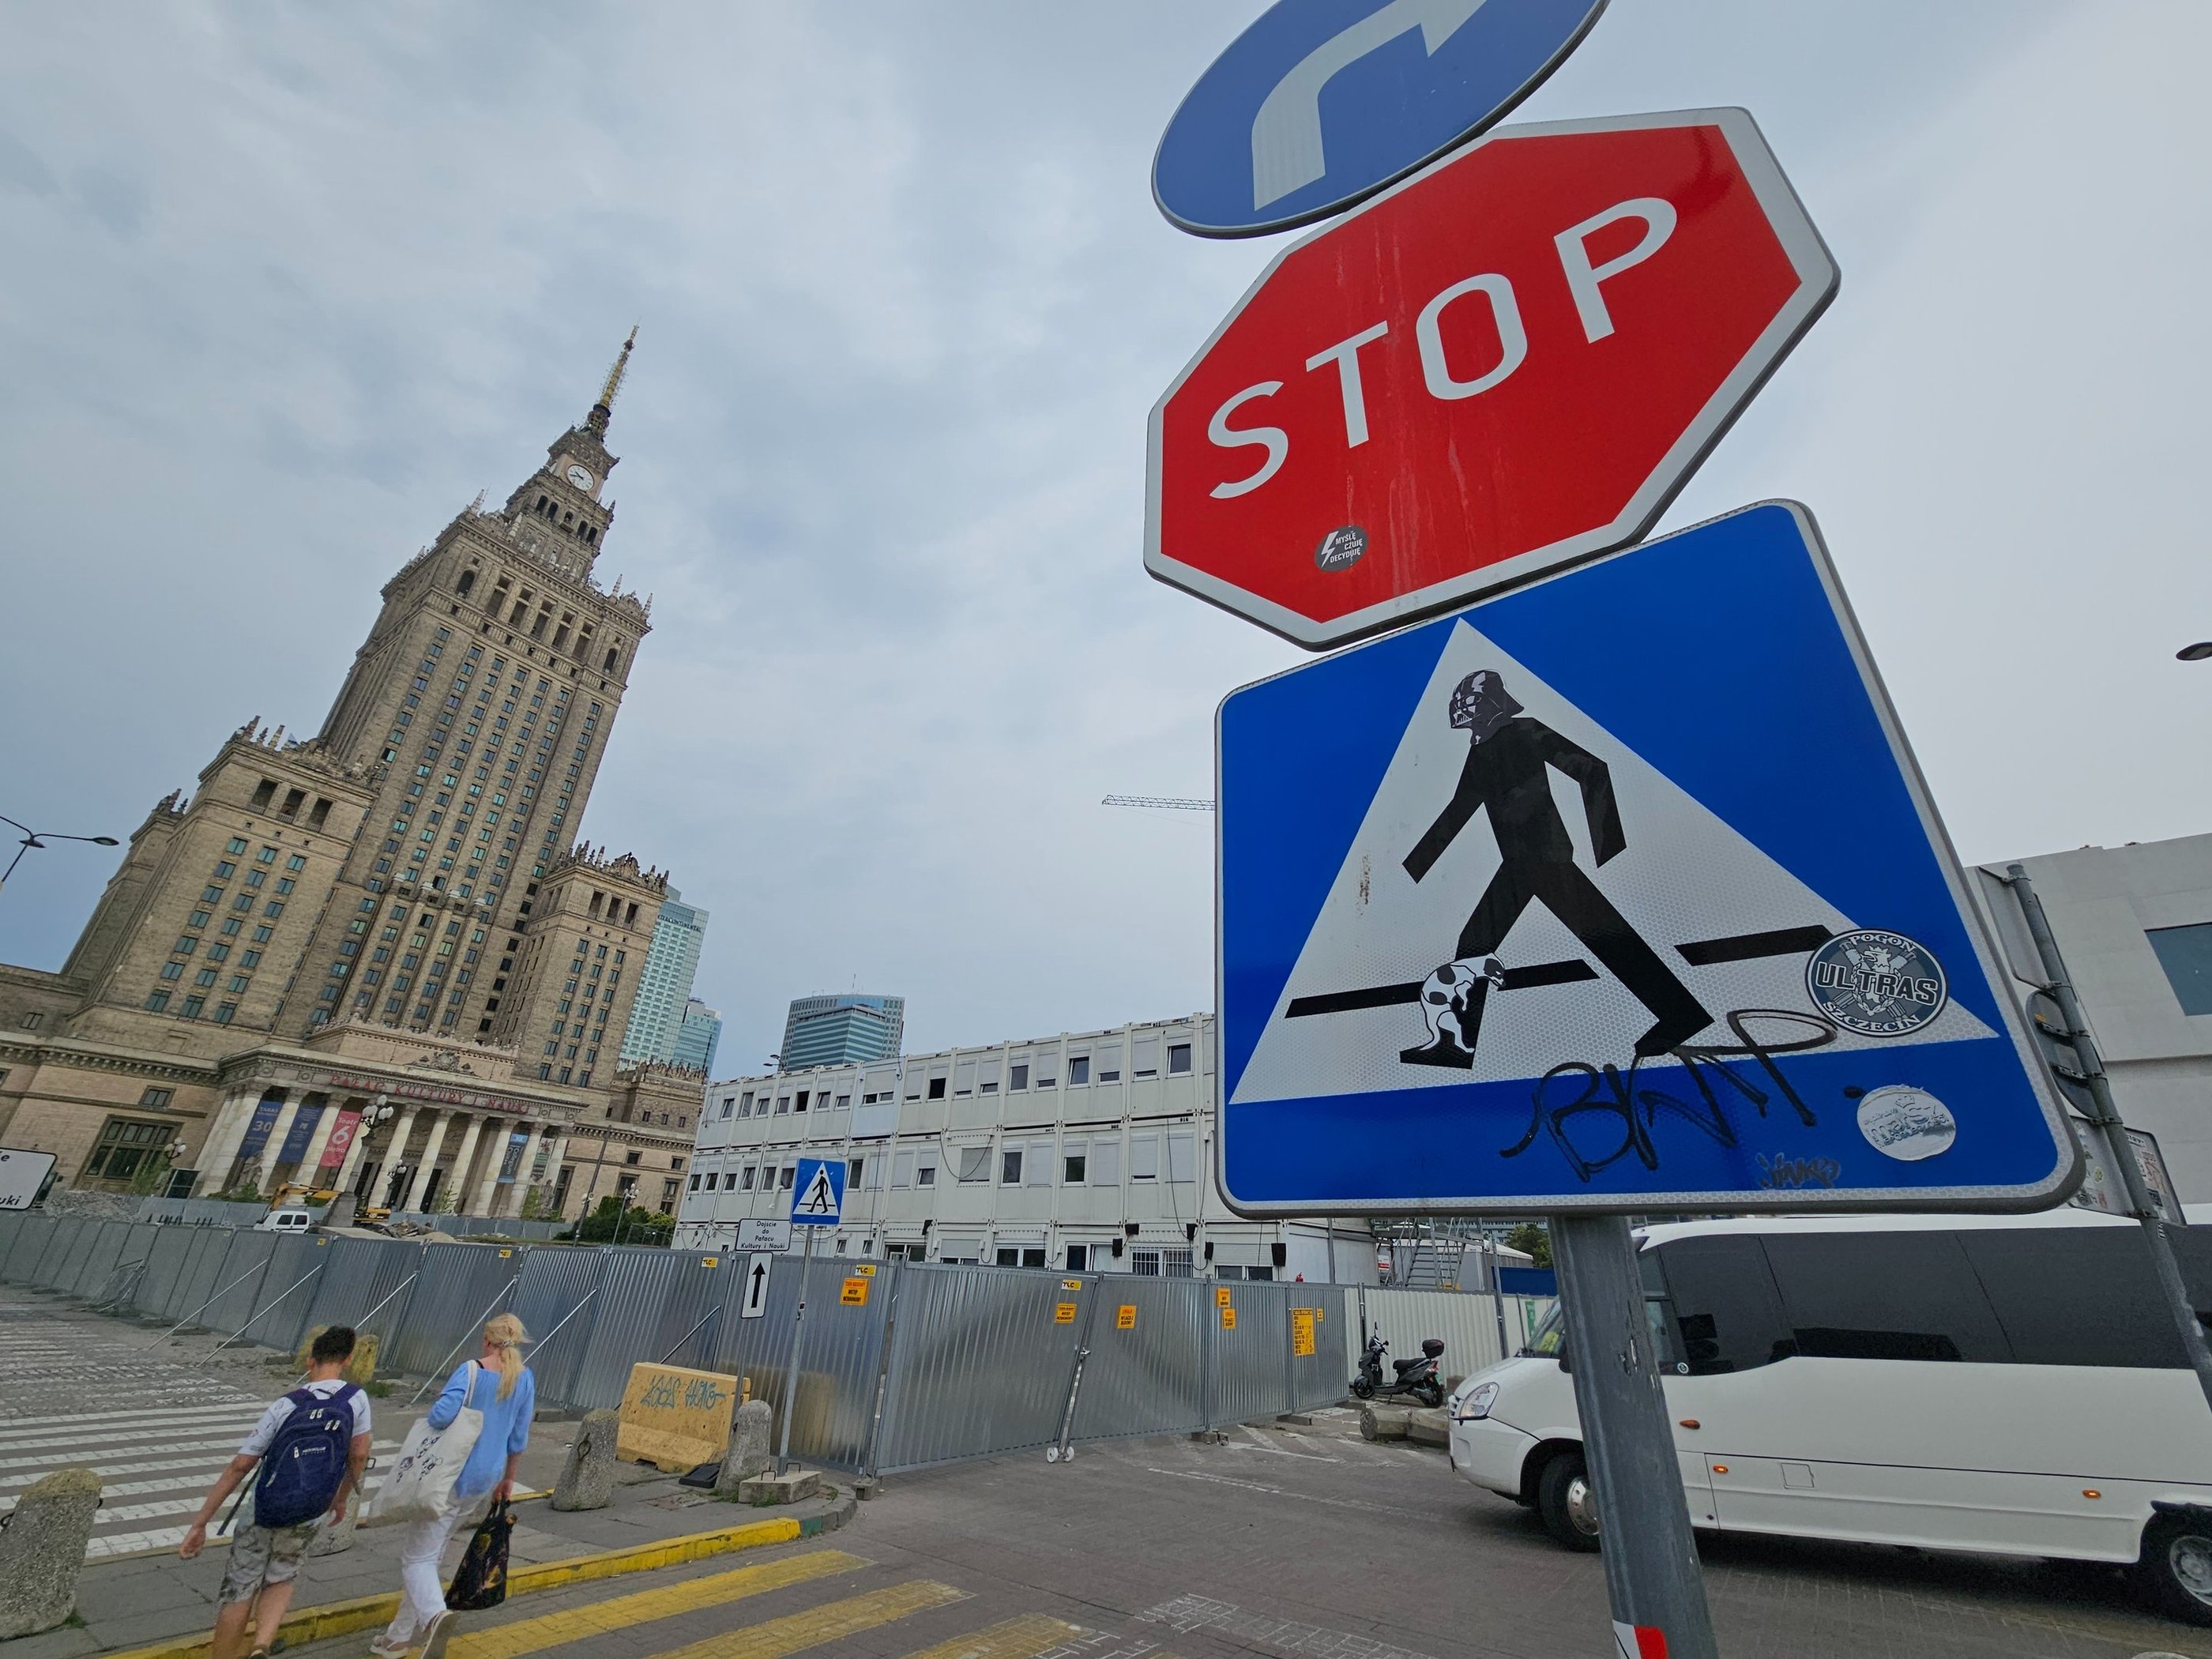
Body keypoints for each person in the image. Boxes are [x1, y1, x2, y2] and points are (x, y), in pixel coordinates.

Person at [1402, 668, 1711, 1066]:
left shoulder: (1527, 731)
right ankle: (1455, 1046)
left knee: (1604, 937)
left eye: (1473, 703)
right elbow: (1460, 809)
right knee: (1481, 942)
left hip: (1546, 858)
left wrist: (1608, 845)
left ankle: (1681, 1013)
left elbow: (1592, 770)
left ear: (1492, 703)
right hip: (1518, 863)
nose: (1465, 712)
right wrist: (1412, 870)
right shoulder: (1480, 750)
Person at [179, 1326, 371, 1659]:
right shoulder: (357, 1399)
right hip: (311, 1508)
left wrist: (201, 1523)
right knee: (282, 1576)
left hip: (266, 1508)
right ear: (347, 1360)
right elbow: (358, 1456)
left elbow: (241, 1465)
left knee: (241, 1585)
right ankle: (261, 1647)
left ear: (310, 1361)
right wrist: (339, 1499)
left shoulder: (286, 1404)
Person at [371, 1313, 535, 1659]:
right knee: (431, 1553)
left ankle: (434, 1618)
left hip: (449, 1476)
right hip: (486, 1479)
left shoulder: (471, 1370)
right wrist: (507, 1479)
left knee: (416, 1559)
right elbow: (518, 1438)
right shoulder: (525, 1379)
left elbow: (440, 1416)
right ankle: (397, 1637)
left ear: (488, 1341)